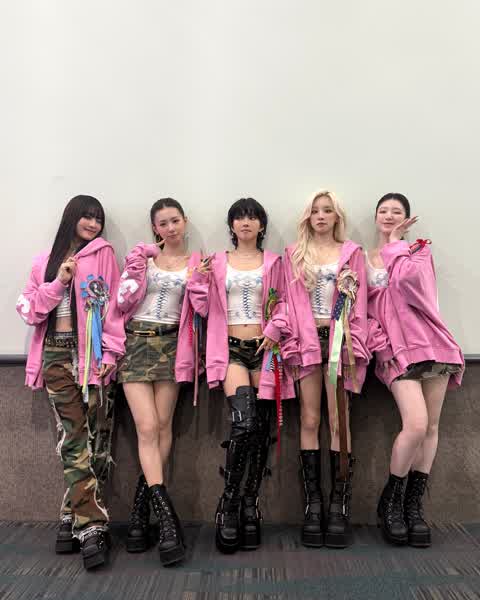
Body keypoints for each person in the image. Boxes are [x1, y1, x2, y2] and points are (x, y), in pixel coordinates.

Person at [16, 195, 125, 569]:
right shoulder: (44, 262)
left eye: (98, 218)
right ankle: (92, 526)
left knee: (97, 441)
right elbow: (29, 311)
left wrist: (110, 354)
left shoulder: (105, 255)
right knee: (75, 439)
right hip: (57, 357)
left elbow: (113, 309)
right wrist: (58, 283)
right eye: (86, 217)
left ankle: (70, 514)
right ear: (72, 217)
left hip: (92, 358)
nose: (93, 224)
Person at [187, 197, 295, 553]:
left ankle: (251, 502)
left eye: (252, 217)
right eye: (239, 217)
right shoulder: (216, 262)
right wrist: (198, 281)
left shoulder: (275, 262)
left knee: (261, 430)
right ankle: (229, 503)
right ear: (231, 225)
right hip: (231, 349)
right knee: (244, 423)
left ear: (261, 225)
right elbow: (202, 308)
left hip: (265, 350)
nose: (245, 222)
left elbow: (286, 304)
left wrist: (275, 329)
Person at [367, 192, 464, 547]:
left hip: (432, 346)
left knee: (431, 427)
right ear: (375, 217)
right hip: (396, 353)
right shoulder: (362, 259)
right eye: (383, 211)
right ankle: (390, 501)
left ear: (407, 219)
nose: (389, 216)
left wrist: (396, 244)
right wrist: (380, 345)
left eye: (397, 212)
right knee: (417, 425)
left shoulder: (418, 252)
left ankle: (412, 505)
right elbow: (361, 311)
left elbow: (413, 287)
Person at [116, 197, 202, 566]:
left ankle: (140, 513)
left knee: (164, 427)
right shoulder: (142, 260)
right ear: (155, 228)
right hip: (136, 344)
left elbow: (202, 309)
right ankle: (167, 520)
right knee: (148, 427)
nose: (170, 228)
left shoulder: (198, 262)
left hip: (172, 346)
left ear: (185, 221)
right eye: (163, 223)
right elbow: (121, 303)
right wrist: (136, 267)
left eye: (175, 220)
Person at [283, 190, 370, 548]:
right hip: (306, 341)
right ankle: (313, 504)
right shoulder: (293, 254)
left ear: (337, 216)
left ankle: (339, 505)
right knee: (308, 419)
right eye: (315, 211)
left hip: (339, 343)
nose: (321, 216)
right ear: (308, 216)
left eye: (327, 210)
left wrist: (355, 344)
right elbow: (287, 302)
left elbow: (360, 305)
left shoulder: (352, 253)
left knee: (338, 420)